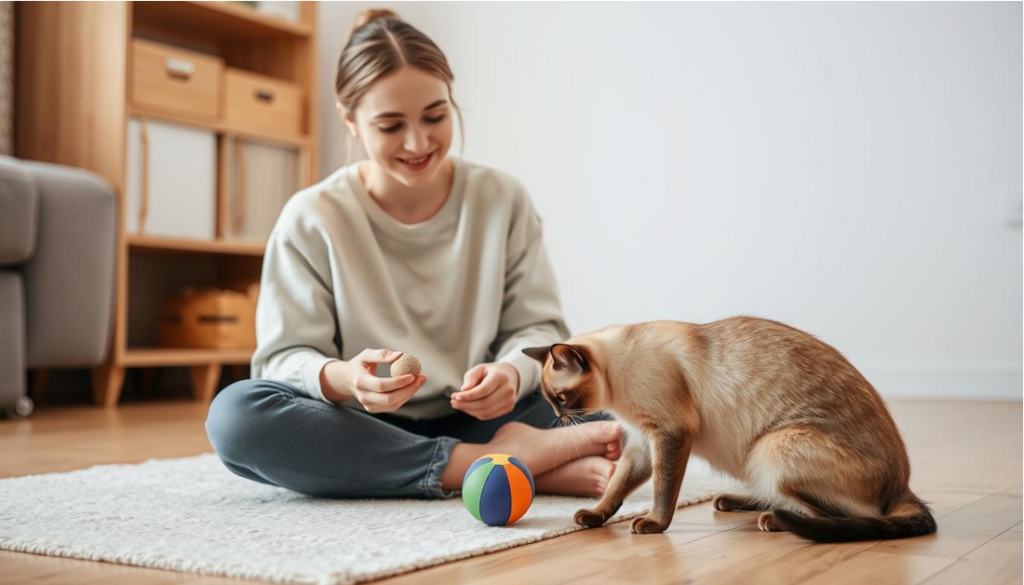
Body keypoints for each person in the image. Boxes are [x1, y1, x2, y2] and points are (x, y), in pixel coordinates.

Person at [206, 9, 621, 500]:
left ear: (452, 100)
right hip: (360, 428)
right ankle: (495, 465)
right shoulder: (312, 217)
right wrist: (343, 378)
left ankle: (497, 459)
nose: (418, 142)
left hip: (483, 419)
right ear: (350, 120)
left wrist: (512, 372)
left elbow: (540, 331)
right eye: (390, 125)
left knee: (602, 398)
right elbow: (280, 359)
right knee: (236, 419)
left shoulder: (501, 199)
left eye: (435, 116)